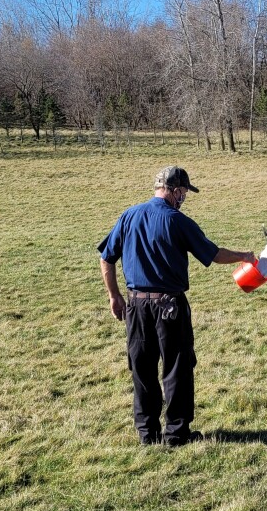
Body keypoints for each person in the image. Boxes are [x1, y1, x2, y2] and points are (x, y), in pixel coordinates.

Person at [98, 165, 256, 446]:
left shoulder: (129, 215)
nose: (184, 198)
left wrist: (114, 295)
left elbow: (106, 258)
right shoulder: (177, 221)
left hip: (136, 306)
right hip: (170, 307)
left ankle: (147, 434)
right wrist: (244, 256)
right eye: (184, 192)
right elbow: (214, 254)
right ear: (176, 191)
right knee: (177, 368)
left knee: (142, 368)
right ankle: (176, 433)